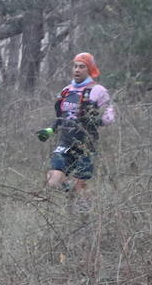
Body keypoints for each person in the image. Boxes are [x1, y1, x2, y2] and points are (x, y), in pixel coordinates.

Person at [36, 52, 116, 195]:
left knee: (81, 189)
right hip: (65, 143)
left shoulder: (98, 91)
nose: (77, 70)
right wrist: (49, 130)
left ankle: (79, 205)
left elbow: (110, 117)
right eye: (75, 66)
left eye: (82, 67)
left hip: (86, 145)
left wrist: (93, 120)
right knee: (52, 182)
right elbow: (61, 117)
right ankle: (69, 194)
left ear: (89, 69)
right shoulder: (66, 91)